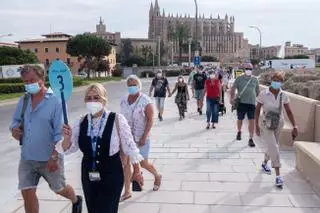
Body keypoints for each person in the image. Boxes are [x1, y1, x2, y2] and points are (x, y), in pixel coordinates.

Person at [60, 83, 144, 213]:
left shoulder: (117, 119)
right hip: (89, 175)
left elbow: (130, 147)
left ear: (104, 99)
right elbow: (69, 149)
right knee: (93, 209)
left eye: (96, 97)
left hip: (111, 174)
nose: (92, 101)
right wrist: (66, 138)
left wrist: (137, 170)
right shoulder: (81, 122)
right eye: (89, 98)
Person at [9, 65, 82, 213]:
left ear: (42, 79)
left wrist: (54, 157)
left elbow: (59, 133)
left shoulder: (56, 101)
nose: (29, 84)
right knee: (27, 193)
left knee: (59, 189)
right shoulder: (24, 100)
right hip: (27, 157)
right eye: (26, 81)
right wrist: (15, 130)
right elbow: (15, 122)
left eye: (32, 80)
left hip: (50, 157)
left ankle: (76, 199)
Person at [121, 75, 162, 201]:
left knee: (143, 163)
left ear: (139, 86)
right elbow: (121, 118)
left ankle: (157, 175)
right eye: (129, 85)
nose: (131, 87)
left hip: (141, 137)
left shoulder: (146, 100)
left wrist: (144, 136)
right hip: (127, 138)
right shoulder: (124, 99)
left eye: (134, 85)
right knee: (126, 164)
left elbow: (150, 120)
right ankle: (127, 191)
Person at [255, 72, 298, 187]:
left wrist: (295, 126)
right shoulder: (263, 94)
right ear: (271, 80)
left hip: (279, 123)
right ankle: (278, 176)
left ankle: (265, 163)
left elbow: (289, 111)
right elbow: (257, 110)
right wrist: (256, 126)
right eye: (275, 80)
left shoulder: (283, 95)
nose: (277, 82)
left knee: (273, 145)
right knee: (274, 147)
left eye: (279, 80)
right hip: (266, 124)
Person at [230, 63, 260, 147]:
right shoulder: (239, 79)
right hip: (241, 103)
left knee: (252, 121)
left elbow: (258, 91)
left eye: (250, 69)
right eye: (247, 68)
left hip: (251, 104)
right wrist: (231, 99)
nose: (249, 70)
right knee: (240, 119)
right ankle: (239, 131)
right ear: (244, 69)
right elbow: (233, 89)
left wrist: (256, 98)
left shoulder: (255, 79)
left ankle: (251, 138)